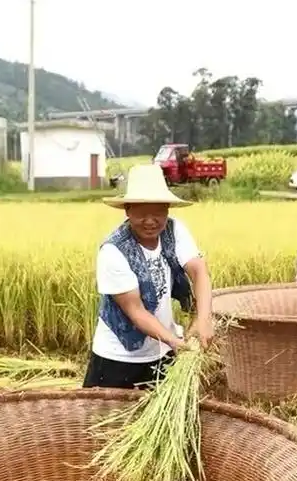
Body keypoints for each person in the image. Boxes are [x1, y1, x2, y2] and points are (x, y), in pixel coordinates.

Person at [83, 163, 214, 390]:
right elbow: (135, 311)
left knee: (167, 417)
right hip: (119, 358)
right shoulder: (114, 251)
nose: (151, 220)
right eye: (142, 212)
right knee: (105, 421)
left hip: (162, 351)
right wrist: (175, 341)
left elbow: (199, 270)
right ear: (127, 210)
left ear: (167, 209)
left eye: (158, 212)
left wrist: (204, 319)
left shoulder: (174, 230)